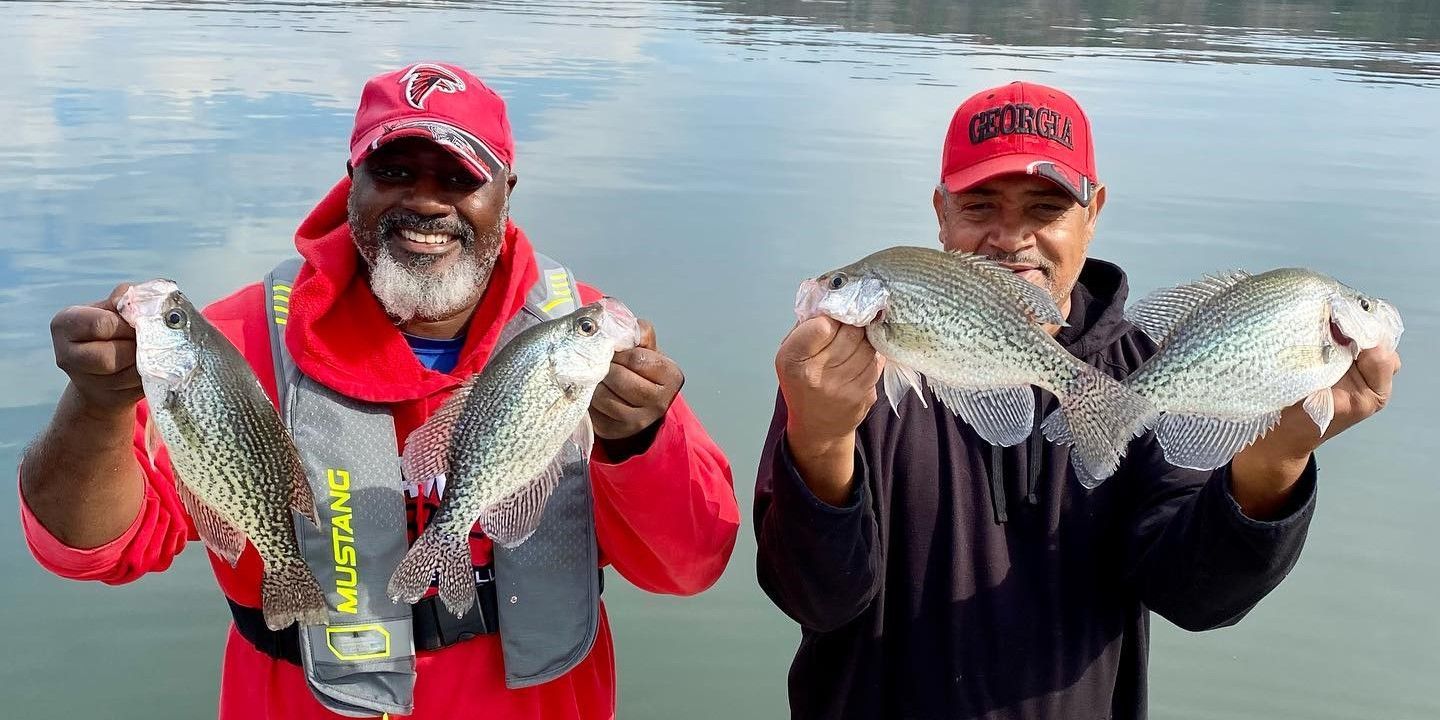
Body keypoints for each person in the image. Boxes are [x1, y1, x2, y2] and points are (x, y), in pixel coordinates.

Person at [19, 61, 740, 720]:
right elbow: (95, 552)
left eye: (459, 178)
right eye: (394, 171)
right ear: (352, 182)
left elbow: (689, 565)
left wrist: (642, 436)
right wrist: (95, 406)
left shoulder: (582, 341)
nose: (426, 202)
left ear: (506, 193)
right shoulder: (232, 343)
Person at [754, 81, 1402, 719]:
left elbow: (1195, 596)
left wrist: (1277, 459)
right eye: (980, 206)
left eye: (1045, 208)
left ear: (1093, 212)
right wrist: (821, 437)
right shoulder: (843, 372)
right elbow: (815, 598)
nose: (1011, 237)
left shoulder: (1154, 371)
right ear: (940, 211)